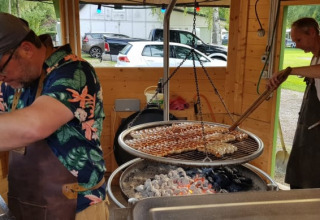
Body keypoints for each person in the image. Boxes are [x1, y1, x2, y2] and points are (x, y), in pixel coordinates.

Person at [0, 12, 109, 219]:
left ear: (26, 49)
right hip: (26, 205)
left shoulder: (73, 72)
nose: (1, 79)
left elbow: (34, 126)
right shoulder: (12, 81)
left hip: (78, 208)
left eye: (1, 69)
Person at [268, 17, 320, 189]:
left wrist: (289, 71)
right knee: (300, 175)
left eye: (299, 39)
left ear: (312, 32)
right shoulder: (315, 57)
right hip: (308, 127)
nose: (296, 45)